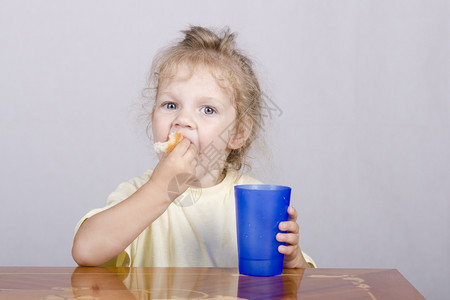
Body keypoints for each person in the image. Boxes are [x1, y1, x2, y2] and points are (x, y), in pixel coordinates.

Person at [72, 26, 315, 268]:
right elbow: (85, 251)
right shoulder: (138, 193)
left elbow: (300, 287)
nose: (182, 120)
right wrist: (160, 189)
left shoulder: (254, 199)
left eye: (207, 109)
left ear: (238, 133)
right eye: (170, 105)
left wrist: (292, 260)